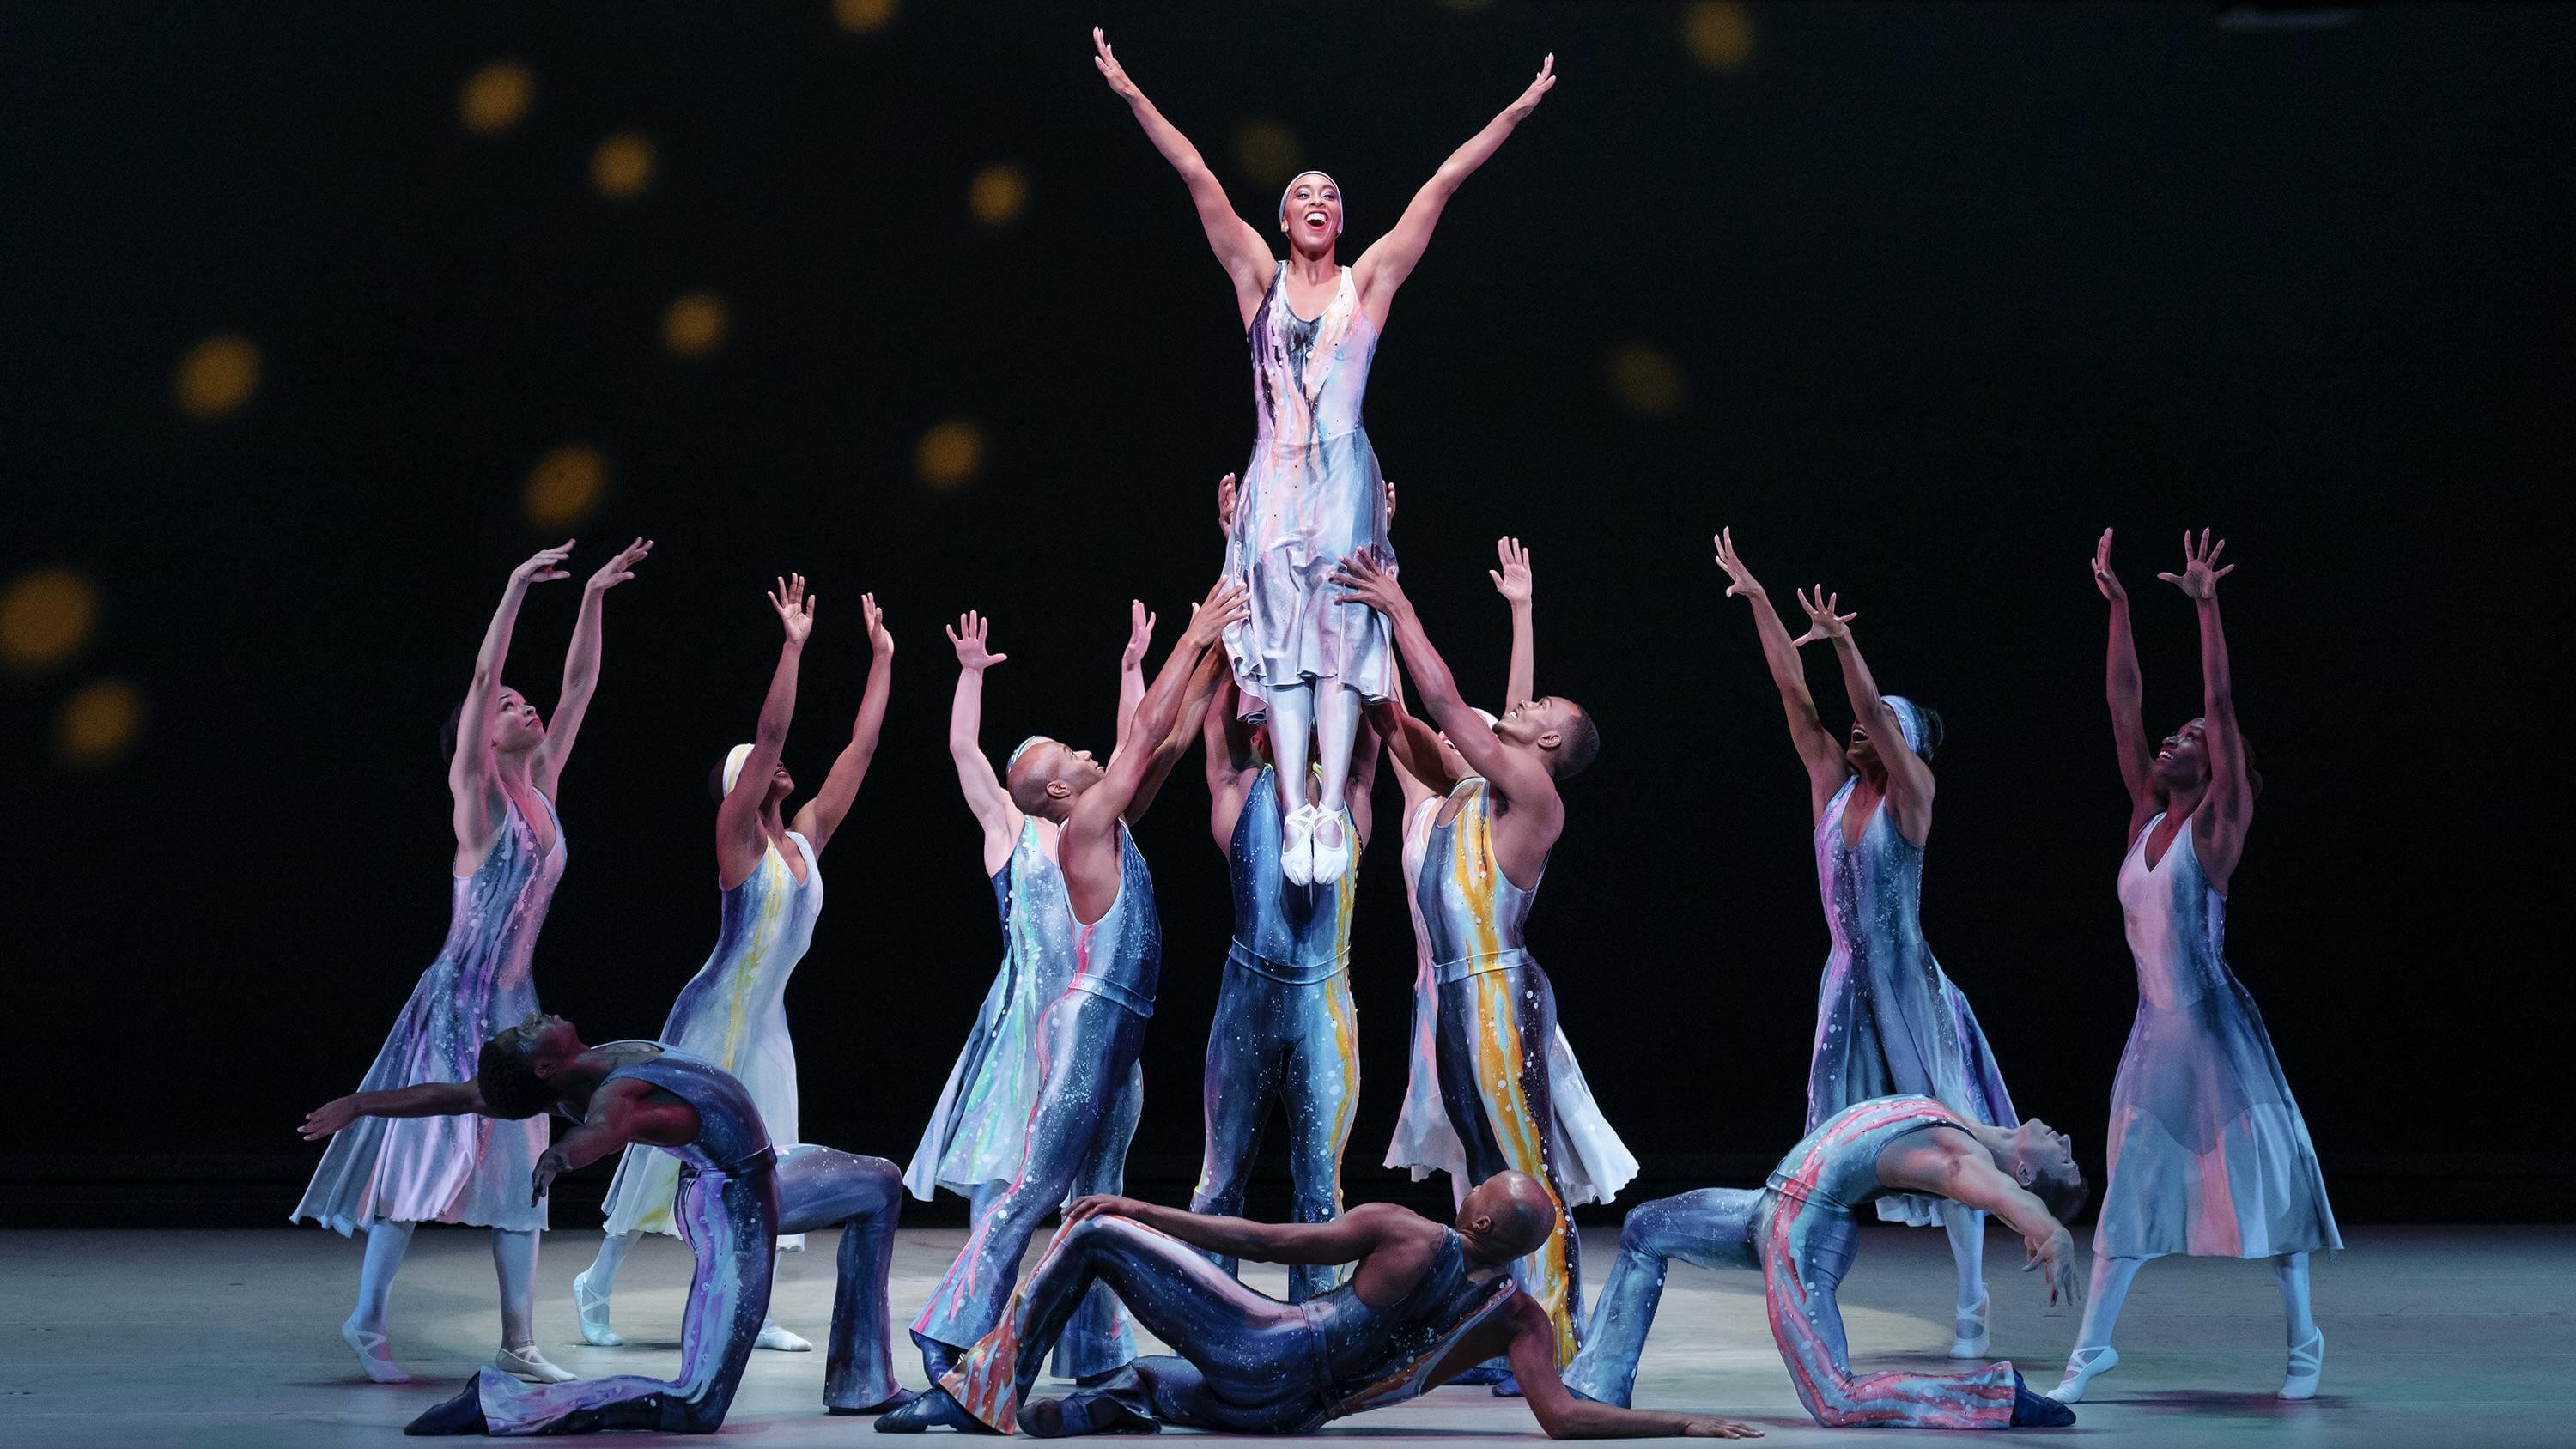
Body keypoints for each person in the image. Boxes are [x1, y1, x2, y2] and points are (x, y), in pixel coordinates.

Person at [1091, 27, 1558, 887]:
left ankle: (1333, 808)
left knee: (1342, 627)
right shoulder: (1254, 278)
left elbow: (1442, 184)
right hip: (1273, 468)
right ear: (1280, 217)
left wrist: (1519, 110)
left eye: (1330, 194)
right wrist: (1129, 92)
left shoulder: (1368, 280)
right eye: (1302, 192)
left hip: (1343, 468)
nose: (1316, 200)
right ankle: (1301, 804)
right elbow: (1196, 173)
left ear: (1341, 220)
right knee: (1280, 635)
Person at [882, 580, 1247, 1431]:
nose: (1090, 752)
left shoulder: (1112, 817)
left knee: (1098, 1200)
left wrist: (1220, 652)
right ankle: (948, 1348)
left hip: (1120, 1041)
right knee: (1033, 1188)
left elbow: (1171, 733)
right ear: (1053, 795)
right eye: (1070, 755)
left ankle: (1097, 1355)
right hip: (1086, 1027)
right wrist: (1193, 634)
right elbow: (1145, 731)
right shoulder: (1083, 825)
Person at [292, 537, 650, 1386]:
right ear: (480, 738)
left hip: (519, 1009)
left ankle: (519, 1339)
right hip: (453, 1002)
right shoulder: (480, 798)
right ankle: (367, 1318)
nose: (522, 704)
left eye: (524, 703)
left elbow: (579, 685)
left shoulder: (543, 788)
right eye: (507, 706)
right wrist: (516, 585)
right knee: (420, 1161)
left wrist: (594, 593)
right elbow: (486, 678)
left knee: (523, 1165)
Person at [300, 1014, 908, 1433]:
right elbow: (601, 1133)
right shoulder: (613, 1098)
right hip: (733, 1213)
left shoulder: (587, 1071)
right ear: (543, 1067)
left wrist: (361, 1104)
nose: (534, 1020)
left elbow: (453, 1097)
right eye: (528, 1035)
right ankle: (504, 1402)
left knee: (879, 1183)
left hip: (767, 1178)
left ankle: (862, 1381)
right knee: (696, 1403)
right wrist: (560, 1155)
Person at [2048, 530, 2339, 1404]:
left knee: (2266, 1184)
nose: (2175, 736)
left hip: (2215, 1029)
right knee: (2128, 1190)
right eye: (2173, 735)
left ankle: (2305, 1338)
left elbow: (2218, 695)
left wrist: (2207, 605)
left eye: (2192, 736)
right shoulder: (2148, 812)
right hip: (2153, 1033)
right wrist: (2123, 608)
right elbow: (2122, 702)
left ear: (2220, 764)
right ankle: (2090, 1352)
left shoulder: (2218, 827)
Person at [1713, 530, 2015, 1358]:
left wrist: (1847, 642)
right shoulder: (1831, 785)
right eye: (1861, 726)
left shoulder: (1913, 798)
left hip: (1910, 986)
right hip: (1846, 983)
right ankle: (1812, 1290)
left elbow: (1871, 710)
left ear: (1908, 746)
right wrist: (1762, 602)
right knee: (1832, 1144)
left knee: (1945, 1131)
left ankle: (1970, 1298)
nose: (1859, 730)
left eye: (1881, 726)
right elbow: (1793, 693)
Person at [578, 576, 896, 1354]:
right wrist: (792, 647)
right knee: (666, 1152)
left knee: (765, 1161)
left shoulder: (805, 840)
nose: (773, 764)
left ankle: (749, 1303)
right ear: (739, 786)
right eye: (753, 764)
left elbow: (859, 753)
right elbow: (774, 731)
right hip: (713, 1014)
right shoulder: (739, 843)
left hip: (768, 1026)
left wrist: (882, 659)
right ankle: (599, 1278)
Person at [903, 1176, 1763, 1440]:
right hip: (1289, 1412)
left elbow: (1270, 1240)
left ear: (1479, 1215)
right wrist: (1684, 1424)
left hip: (1267, 1348)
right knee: (1144, 1380)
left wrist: (1145, 1210)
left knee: (1092, 1236)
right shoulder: (1518, 1313)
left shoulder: (1412, 1232)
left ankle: (980, 1389)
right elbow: (1566, 1414)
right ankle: (1100, 1408)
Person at [1330, 551, 1601, 1378]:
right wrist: (1351, 627)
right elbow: (1403, 718)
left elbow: (1450, 705)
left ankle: (1556, 1340)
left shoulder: (1537, 799)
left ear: (1547, 740)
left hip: (1494, 991)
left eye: (1536, 707)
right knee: (1484, 1184)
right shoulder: (1467, 800)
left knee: (1526, 1169)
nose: (1519, 704)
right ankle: (1495, 1326)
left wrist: (1399, 602)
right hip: (1449, 1000)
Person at [1564, 1095, 2087, 1430]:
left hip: (1801, 1235)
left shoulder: (1960, 1156)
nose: (2065, 1141)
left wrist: (2052, 1231)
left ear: (2024, 1172)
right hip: (1765, 1207)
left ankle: (1994, 1396)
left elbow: (2000, 1196)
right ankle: (1599, 1388)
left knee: (1835, 1400)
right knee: (1645, 1227)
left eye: (2063, 1159)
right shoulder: (1961, 1123)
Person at [1188, 475, 1378, 1301]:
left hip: (1324, 1004)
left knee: (1319, 1186)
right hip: (1247, 999)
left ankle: (1315, 1336)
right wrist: (1236, 543)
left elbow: (1363, 693)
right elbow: (1229, 661)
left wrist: (1371, 552)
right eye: (1264, 702)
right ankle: (1209, 1319)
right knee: (1220, 1177)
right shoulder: (1236, 794)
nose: (1278, 704)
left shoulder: (1347, 803)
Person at [905, 603, 1155, 1207]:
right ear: (1040, 783)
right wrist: (971, 673)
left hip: (1090, 1007)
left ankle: (1084, 1283)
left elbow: (1133, 744)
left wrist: (1131, 668)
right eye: (1056, 751)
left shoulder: (1097, 824)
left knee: (1097, 1164)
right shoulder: (1007, 829)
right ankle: (985, 1285)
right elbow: (964, 746)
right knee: (1002, 1154)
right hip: (1025, 1015)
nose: (1077, 753)